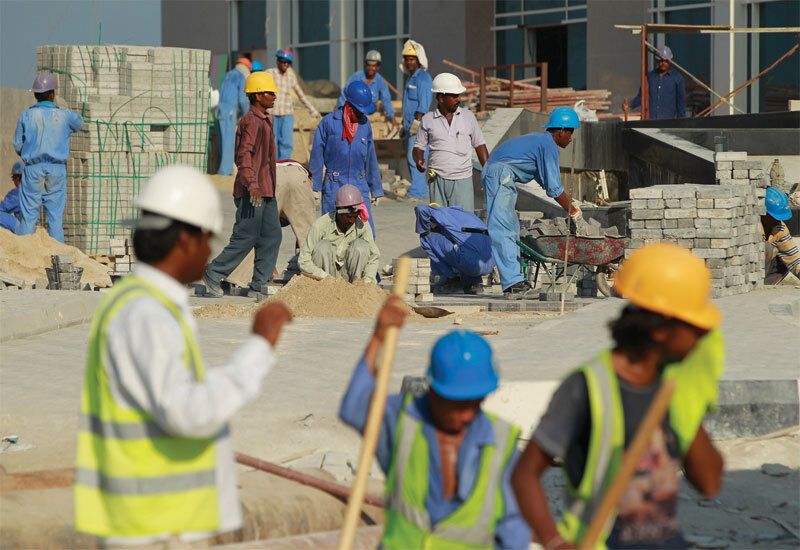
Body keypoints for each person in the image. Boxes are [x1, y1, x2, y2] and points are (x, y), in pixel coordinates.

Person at [73, 165, 293, 544]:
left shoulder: (141, 304)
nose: (210, 251)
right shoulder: (148, 314)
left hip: (152, 522)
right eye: (209, 240)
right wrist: (257, 349)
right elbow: (185, 411)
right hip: (151, 527)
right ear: (186, 241)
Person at [512, 243, 725, 550]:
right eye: (695, 325)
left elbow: (709, 482)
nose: (704, 334)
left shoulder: (671, 386)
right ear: (661, 330)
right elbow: (525, 474)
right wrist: (554, 541)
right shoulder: (588, 386)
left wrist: (693, 394)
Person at [340, 300, 531, 548]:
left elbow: (514, 529)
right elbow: (354, 405)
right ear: (433, 391)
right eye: (457, 404)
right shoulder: (403, 421)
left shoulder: (502, 446)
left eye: (474, 404)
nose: (466, 416)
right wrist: (378, 338)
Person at [483, 107, 587, 299]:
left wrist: (568, 204)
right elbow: (555, 189)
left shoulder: (541, 142)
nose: (571, 138)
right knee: (503, 227)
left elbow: (546, 182)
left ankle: (516, 281)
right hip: (499, 174)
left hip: (501, 174)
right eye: (570, 132)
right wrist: (574, 212)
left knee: (511, 228)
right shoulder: (547, 145)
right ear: (561, 130)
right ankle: (513, 285)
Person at [203, 71, 282, 297]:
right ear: (257, 96)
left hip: (266, 190)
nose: (274, 96)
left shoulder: (265, 120)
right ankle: (214, 273)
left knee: (272, 235)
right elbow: (243, 155)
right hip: (252, 192)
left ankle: (259, 283)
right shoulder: (251, 122)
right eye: (270, 92)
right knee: (245, 237)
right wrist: (252, 184)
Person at [13, 71, 83, 242]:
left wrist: (29, 154)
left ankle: (25, 253)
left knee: (28, 215)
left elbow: (17, 144)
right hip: (56, 169)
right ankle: (57, 258)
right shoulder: (64, 115)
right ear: (52, 93)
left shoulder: (26, 115)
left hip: (33, 168)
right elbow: (79, 123)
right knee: (55, 218)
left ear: (36, 94)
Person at [309, 80, 383, 234]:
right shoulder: (329, 123)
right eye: (358, 110)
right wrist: (314, 187)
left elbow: (370, 158)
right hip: (334, 183)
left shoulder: (365, 125)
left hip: (359, 182)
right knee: (332, 232)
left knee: (366, 233)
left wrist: (375, 188)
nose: (361, 114)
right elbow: (316, 155)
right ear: (349, 104)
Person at [413, 73, 488, 212]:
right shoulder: (428, 119)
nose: (458, 99)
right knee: (440, 222)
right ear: (441, 97)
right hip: (436, 179)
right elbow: (418, 146)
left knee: (464, 223)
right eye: (454, 96)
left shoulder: (468, 117)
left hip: (462, 179)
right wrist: (418, 159)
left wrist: (488, 169)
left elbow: (479, 145)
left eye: (459, 95)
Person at [298, 184, 380, 284]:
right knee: (323, 246)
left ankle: (357, 286)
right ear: (338, 210)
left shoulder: (362, 225)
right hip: (325, 279)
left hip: (350, 275)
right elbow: (304, 260)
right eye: (348, 216)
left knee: (361, 246)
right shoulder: (321, 225)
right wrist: (324, 276)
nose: (352, 221)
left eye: (355, 216)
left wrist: (368, 280)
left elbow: (374, 256)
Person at [415, 203, 494, 295]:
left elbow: (420, 209)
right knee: (464, 246)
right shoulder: (467, 216)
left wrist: (424, 228)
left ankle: (451, 281)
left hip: (471, 264)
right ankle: (473, 284)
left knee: (426, 237)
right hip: (489, 265)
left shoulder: (443, 213)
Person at [268, 48, 321, 160]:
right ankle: (274, 167)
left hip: (287, 114)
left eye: (288, 62)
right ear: (278, 61)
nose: (286, 64)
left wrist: (312, 109)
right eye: (283, 61)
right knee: (272, 142)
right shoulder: (270, 73)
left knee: (287, 143)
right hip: (272, 113)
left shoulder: (291, 76)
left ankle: (284, 166)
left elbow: (301, 94)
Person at [400, 40, 433, 200]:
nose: (408, 62)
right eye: (407, 58)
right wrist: (403, 125)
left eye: (412, 59)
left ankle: (419, 191)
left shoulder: (423, 78)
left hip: (418, 125)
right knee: (411, 157)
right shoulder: (411, 78)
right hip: (410, 126)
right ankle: (418, 188)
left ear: (418, 60)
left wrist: (417, 123)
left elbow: (424, 102)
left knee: (416, 156)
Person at [337, 50, 397, 126]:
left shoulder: (380, 81)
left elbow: (386, 100)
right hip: (352, 115)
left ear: (378, 67)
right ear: (365, 65)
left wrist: (392, 118)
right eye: (368, 65)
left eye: (374, 66)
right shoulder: (356, 77)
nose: (370, 68)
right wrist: (341, 113)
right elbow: (344, 95)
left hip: (368, 117)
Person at [625, 45, 686, 120]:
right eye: (660, 61)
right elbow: (642, 97)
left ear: (670, 61)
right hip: (650, 122)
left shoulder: (677, 78)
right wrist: (630, 105)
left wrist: (681, 123)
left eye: (665, 61)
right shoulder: (649, 77)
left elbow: (681, 103)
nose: (662, 63)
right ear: (656, 61)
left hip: (668, 122)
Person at [216, 57, 252, 175]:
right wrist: (248, 114)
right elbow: (242, 100)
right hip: (230, 112)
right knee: (229, 143)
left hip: (220, 110)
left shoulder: (227, 75)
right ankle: (225, 171)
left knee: (222, 141)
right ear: (247, 69)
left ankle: (222, 168)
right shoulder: (241, 77)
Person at [761, 186, 799, 284]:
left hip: (765, 269)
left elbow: (792, 257)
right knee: (767, 248)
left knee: (784, 261)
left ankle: (766, 286)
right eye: (774, 217)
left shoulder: (780, 228)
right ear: (763, 213)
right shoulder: (752, 226)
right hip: (749, 268)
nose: (778, 221)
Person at [0, 161, 23, 233]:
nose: (13, 181)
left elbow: (4, 207)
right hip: (31, 226)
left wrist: (2, 201)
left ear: (17, 177)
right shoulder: (32, 191)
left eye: (13, 178)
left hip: (22, 228)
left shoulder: (17, 192)